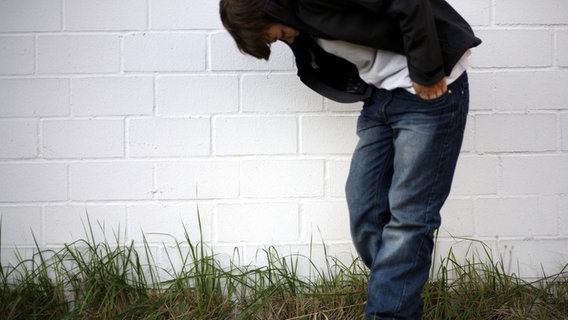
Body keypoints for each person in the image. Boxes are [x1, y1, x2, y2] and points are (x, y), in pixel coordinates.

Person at [219, 0, 481, 319]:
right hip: (382, 97)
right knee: (365, 206)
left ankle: (389, 312)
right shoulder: (300, 26)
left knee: (410, 218)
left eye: (273, 36)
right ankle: (399, 296)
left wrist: (427, 72)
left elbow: (410, 3)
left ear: (268, 12)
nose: (282, 41)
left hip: (428, 94)